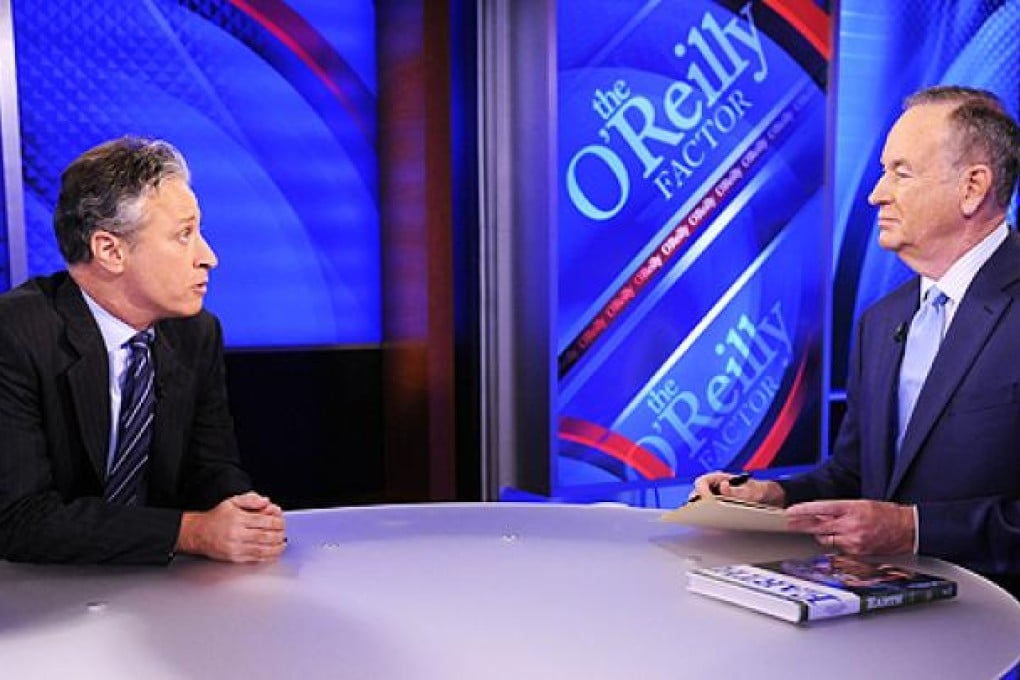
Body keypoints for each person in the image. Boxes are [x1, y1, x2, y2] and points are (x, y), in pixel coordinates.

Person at [694, 85, 1020, 595]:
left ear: (973, 187)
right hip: (886, 630)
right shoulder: (879, 322)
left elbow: (898, 517)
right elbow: (854, 476)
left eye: (901, 172)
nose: (876, 194)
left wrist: (914, 529)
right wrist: (773, 496)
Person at [0, 136, 286, 564]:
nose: (208, 257)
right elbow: (20, 518)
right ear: (110, 250)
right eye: (184, 235)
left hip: (155, 587)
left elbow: (211, 465)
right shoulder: (17, 335)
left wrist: (242, 512)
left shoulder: (196, 332)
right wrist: (189, 532)